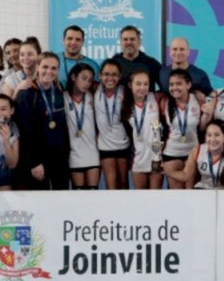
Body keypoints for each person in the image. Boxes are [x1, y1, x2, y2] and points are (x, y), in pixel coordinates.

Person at [15, 52, 70, 190]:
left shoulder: (59, 91)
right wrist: (34, 162)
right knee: (39, 203)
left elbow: (63, 126)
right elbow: (24, 131)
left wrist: (65, 156)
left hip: (59, 157)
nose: (49, 71)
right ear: (37, 67)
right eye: (45, 66)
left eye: (54, 68)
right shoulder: (26, 93)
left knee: (62, 198)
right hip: (37, 158)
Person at [160, 69, 206, 189]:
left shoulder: (198, 100)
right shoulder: (164, 102)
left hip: (193, 152)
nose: (174, 87)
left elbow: (202, 127)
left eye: (179, 84)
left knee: (191, 194)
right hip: (171, 153)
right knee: (176, 197)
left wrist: (208, 113)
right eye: (171, 84)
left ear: (188, 85)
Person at [123, 70, 163, 190]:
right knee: (141, 201)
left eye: (146, 84)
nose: (143, 87)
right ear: (130, 85)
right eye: (138, 84)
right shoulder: (125, 106)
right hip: (138, 159)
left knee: (155, 200)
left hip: (156, 159)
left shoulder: (155, 98)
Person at [94, 60, 131, 189]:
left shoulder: (126, 91)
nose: (110, 78)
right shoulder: (94, 89)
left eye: (114, 74)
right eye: (106, 74)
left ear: (120, 76)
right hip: (105, 145)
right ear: (100, 75)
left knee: (123, 183)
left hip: (123, 144)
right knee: (111, 185)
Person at [65, 63, 100, 189]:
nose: (87, 83)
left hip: (92, 153)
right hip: (74, 154)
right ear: (74, 77)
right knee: (78, 195)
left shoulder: (94, 96)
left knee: (92, 193)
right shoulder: (63, 97)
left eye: (90, 80)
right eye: (83, 78)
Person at [184, 119, 224, 189]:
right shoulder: (197, 151)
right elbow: (189, 179)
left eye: (217, 135)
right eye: (209, 135)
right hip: (203, 191)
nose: (212, 139)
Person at [109, 25, 162, 92]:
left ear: (139, 42)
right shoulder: (113, 63)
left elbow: (165, 87)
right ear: (121, 42)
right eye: (125, 39)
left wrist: (159, 96)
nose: (129, 42)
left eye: (132, 39)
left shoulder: (152, 63)